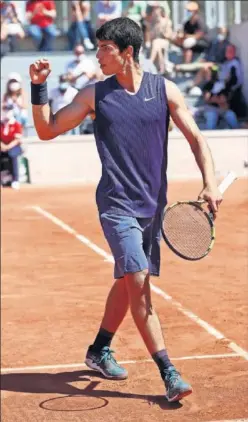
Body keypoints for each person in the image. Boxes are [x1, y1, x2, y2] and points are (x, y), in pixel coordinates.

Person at [29, 17, 222, 403]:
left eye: (105, 49)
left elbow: (196, 137)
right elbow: (47, 129)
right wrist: (39, 87)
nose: (98, 55)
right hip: (116, 205)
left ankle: (100, 348)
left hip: (152, 205)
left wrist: (210, 182)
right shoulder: (94, 95)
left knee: (126, 279)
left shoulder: (163, 90)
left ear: (127, 52)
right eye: (97, 47)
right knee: (137, 278)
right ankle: (169, 371)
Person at [1, 104, 23, 189]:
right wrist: (3, 146)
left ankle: (15, 180)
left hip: (14, 147)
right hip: (2, 146)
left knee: (12, 154)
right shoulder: (1, 124)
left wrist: (8, 147)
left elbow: (17, 140)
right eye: (5, 110)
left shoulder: (16, 124)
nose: (7, 112)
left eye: (9, 110)